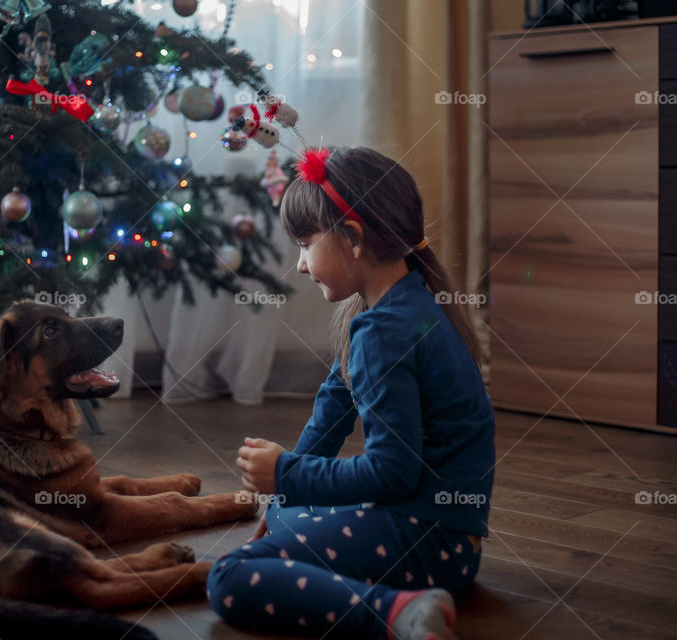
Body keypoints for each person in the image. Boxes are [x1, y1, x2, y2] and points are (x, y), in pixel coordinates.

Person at [207, 147, 495, 640]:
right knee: (284, 515)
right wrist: (284, 491)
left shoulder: (384, 331)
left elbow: (393, 473)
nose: (299, 265)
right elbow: (332, 411)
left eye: (304, 243)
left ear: (354, 239)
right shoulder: (408, 303)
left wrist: (285, 471)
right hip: (451, 541)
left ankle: (399, 610)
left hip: (428, 542)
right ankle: (377, 588)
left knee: (229, 578)